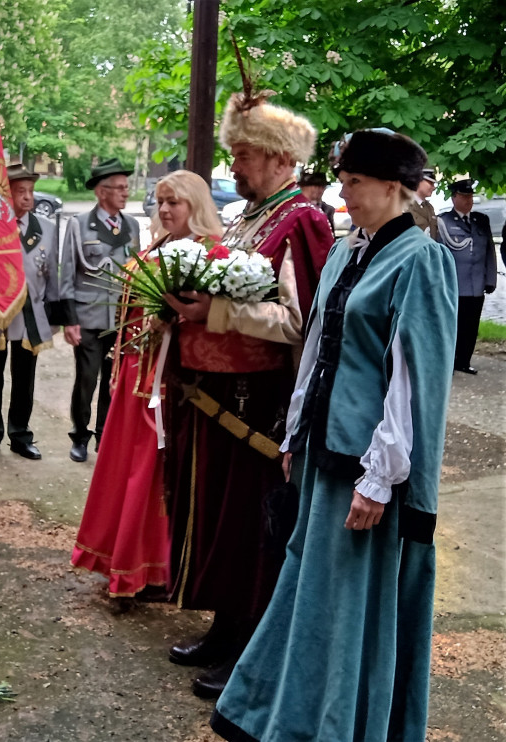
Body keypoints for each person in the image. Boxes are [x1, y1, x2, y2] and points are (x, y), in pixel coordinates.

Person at [212, 129, 457, 742]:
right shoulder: (348, 252)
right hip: (323, 452)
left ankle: (339, 724)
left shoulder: (421, 260)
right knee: (309, 587)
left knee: (348, 599)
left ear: (395, 187)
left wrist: (380, 478)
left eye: (355, 183)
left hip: (366, 466)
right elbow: (319, 347)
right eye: (342, 182)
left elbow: (413, 379)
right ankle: (288, 712)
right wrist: (295, 434)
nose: (343, 195)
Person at [164, 92, 332, 699]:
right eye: (233, 153)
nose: (233, 165)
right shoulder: (244, 216)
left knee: (253, 526)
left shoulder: (303, 220)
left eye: (243, 154)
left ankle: (252, 649)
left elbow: (301, 321)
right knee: (221, 516)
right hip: (215, 394)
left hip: (259, 403)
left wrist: (216, 312)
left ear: (281, 157)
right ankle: (226, 625)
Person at [72, 170, 222, 602]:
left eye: (175, 201)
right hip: (135, 377)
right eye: (160, 201)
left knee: (154, 475)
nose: (165, 209)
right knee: (127, 469)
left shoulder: (212, 253)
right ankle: (119, 558)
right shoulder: (157, 246)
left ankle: (155, 570)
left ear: (195, 204)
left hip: (171, 385)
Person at [0, 164, 59, 461]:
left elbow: (52, 275)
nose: (27, 197)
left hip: (30, 315)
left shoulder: (46, 228)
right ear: (5, 195)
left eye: (30, 191)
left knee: (25, 378)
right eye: (20, 191)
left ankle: (20, 435)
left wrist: (54, 317)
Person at [59, 158, 140, 463]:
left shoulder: (132, 226)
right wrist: (70, 320)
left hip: (121, 317)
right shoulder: (79, 224)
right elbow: (67, 274)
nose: (125, 193)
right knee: (87, 379)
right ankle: (79, 435)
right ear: (101, 192)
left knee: (113, 381)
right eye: (119, 188)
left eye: (126, 187)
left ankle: (104, 437)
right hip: (89, 316)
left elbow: (137, 272)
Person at [436, 178, 496, 374]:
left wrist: (490, 279)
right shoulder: (443, 221)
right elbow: (439, 255)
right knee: (453, 325)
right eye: (464, 197)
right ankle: (450, 361)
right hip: (454, 284)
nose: (468, 201)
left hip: (476, 283)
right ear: (454, 198)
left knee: (471, 325)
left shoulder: (481, 220)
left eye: (470, 197)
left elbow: (489, 251)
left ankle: (464, 361)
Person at [407, 167, 439, 238]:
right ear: (418, 181)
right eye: (430, 183)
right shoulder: (405, 206)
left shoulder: (429, 207)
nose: (434, 187)